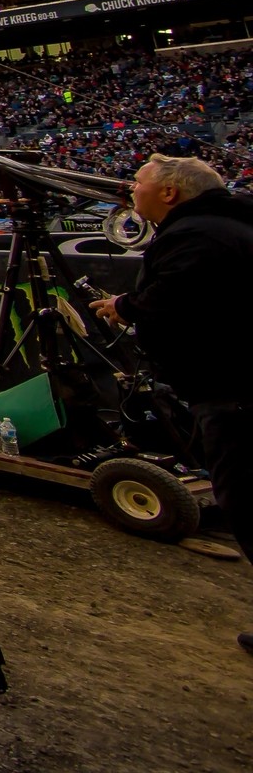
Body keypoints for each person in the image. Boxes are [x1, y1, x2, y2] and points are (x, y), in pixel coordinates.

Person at [91, 154, 253, 656]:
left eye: (137, 181)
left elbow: (176, 299)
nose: (128, 188)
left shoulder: (196, 235)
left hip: (234, 396)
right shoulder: (229, 226)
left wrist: (123, 307)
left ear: (169, 193)